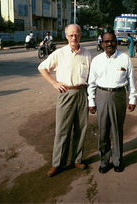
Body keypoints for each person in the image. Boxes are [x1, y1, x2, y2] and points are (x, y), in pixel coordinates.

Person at [38, 24, 91, 177]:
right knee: (62, 130)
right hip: (66, 93)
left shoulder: (87, 53)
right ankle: (57, 163)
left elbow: (90, 76)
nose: (74, 38)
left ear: (80, 35)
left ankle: (77, 159)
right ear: (66, 36)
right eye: (71, 35)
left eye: (77, 35)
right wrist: (54, 83)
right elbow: (42, 67)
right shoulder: (59, 53)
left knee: (81, 128)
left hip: (82, 92)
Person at [88, 30, 137, 174]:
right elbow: (91, 83)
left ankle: (117, 161)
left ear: (116, 41)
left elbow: (131, 81)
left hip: (119, 96)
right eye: (106, 41)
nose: (109, 44)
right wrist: (91, 101)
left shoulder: (125, 58)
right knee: (103, 131)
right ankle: (104, 161)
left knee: (117, 130)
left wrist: (132, 98)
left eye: (112, 41)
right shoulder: (97, 60)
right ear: (102, 43)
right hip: (102, 95)